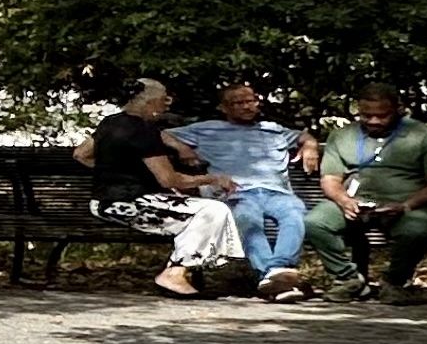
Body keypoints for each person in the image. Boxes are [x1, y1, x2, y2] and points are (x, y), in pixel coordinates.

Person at [77, 79, 247, 298]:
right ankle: (175, 272)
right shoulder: (143, 131)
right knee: (214, 211)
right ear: (151, 102)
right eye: (164, 99)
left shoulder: (111, 123)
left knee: (198, 216)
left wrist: (116, 172)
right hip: (132, 204)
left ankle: (178, 272)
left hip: (101, 203)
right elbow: (169, 180)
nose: (167, 104)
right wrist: (212, 179)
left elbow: (80, 154)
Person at [303, 86, 427, 300]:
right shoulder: (343, 135)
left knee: (416, 229)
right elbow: (330, 179)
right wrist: (343, 200)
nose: (373, 121)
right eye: (366, 115)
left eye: (382, 116)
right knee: (314, 223)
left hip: (407, 205)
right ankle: (349, 280)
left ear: (399, 109)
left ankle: (394, 282)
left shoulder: (424, 135)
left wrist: (406, 205)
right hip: (355, 203)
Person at [176, 81, 315, 297]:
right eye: (238, 103)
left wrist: (310, 146)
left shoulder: (273, 129)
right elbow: (161, 135)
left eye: (251, 101)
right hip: (237, 193)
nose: (247, 106)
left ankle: (276, 271)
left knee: (295, 213)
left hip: (278, 193)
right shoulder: (206, 129)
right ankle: (277, 275)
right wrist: (182, 148)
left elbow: (303, 136)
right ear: (224, 108)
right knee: (247, 219)